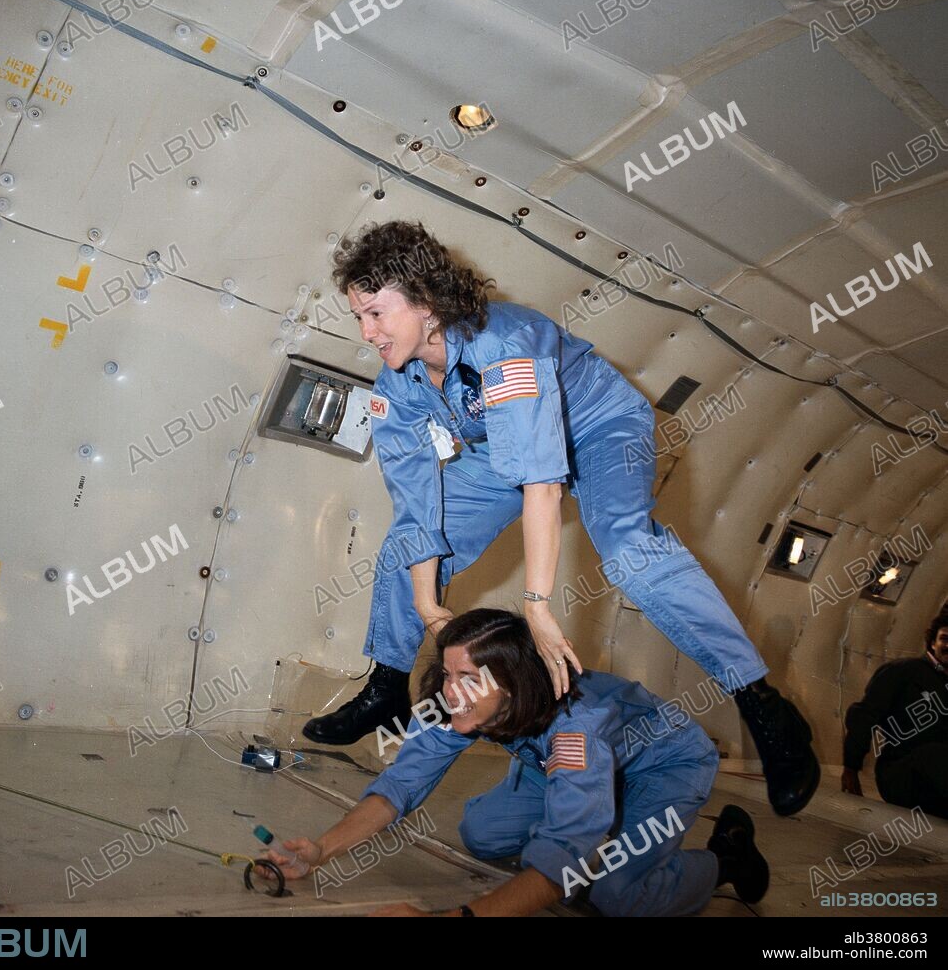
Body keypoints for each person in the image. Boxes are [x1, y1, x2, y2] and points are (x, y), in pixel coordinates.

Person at [303, 219, 818, 817]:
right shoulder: (398, 381)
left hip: (601, 428)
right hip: (506, 445)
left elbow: (541, 483)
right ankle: (386, 687)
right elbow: (418, 501)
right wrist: (426, 609)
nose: (367, 334)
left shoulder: (506, 346)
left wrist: (538, 605)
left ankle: (763, 705)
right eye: (358, 318)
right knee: (405, 547)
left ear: (425, 301)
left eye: (375, 314)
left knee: (627, 551)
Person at [267, 609, 769, 916]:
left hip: (665, 762)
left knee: (616, 896)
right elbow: (400, 785)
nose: (450, 692)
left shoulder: (578, 731)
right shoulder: (461, 701)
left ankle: (725, 859)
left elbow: (560, 864)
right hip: (551, 761)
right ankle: (598, 817)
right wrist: (321, 850)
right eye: (446, 673)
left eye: (468, 677)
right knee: (482, 834)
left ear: (511, 682)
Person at [841, 609, 948, 819]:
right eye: (945, 638)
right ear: (932, 642)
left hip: (938, 785)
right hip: (901, 774)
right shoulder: (903, 672)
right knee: (936, 754)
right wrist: (851, 767)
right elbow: (864, 716)